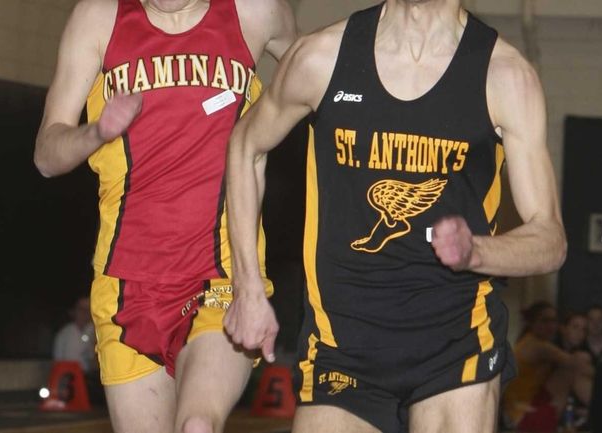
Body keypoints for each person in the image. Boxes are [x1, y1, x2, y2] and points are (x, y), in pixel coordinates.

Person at [225, 1, 567, 431]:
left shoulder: (505, 76)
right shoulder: (322, 57)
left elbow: (550, 239)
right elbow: (245, 146)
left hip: (454, 344)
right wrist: (248, 289)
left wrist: (476, 252)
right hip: (342, 346)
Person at [33, 1, 296, 432]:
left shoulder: (255, 11)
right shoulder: (99, 18)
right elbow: (46, 154)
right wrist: (95, 132)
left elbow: (324, 83)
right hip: (127, 285)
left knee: (197, 425)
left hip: (221, 274)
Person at [503, 302, 593, 432]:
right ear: (532, 323)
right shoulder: (536, 345)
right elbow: (578, 365)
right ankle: (601, 411)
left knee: (574, 366)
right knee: (576, 364)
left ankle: (600, 410)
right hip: (526, 416)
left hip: (529, 409)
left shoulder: (534, 342)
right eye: (545, 321)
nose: (551, 326)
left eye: (553, 321)